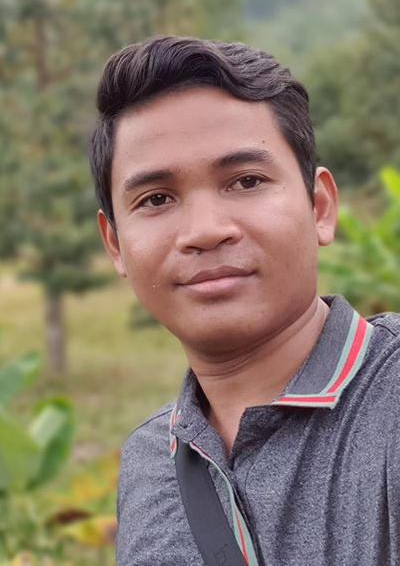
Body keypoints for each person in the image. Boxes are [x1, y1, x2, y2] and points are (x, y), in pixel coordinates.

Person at [88, 35, 400, 566]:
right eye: (156, 199)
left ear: (320, 207)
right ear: (115, 244)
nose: (205, 231)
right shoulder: (150, 462)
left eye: (246, 181)